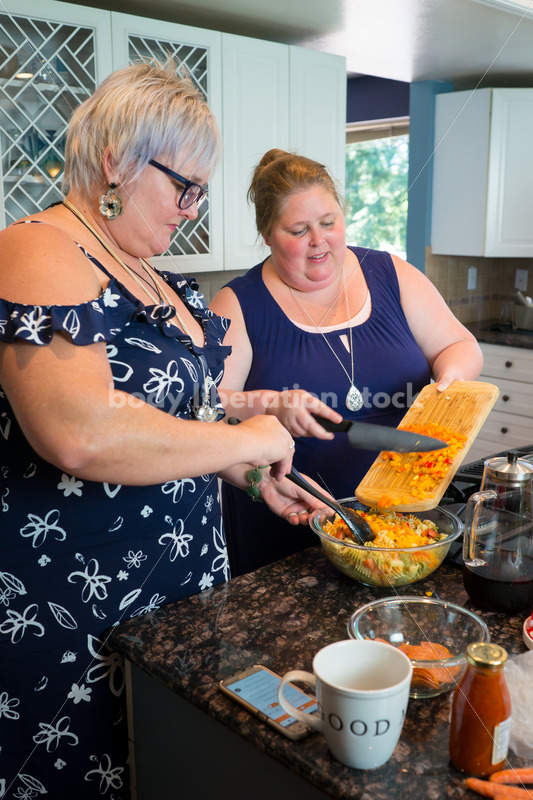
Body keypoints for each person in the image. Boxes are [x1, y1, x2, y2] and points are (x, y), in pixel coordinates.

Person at [0, 67, 324, 799]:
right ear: (118, 161)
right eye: (184, 186)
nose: (190, 208)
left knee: (169, 767)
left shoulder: (159, 277)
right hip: (74, 608)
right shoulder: (39, 249)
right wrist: (252, 439)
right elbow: (79, 432)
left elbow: (175, 427)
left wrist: (247, 476)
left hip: (178, 596)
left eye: (199, 191)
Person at [210, 148, 483, 577]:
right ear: (267, 232)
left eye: (329, 222)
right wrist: (266, 405)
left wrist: (446, 385)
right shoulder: (237, 304)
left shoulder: (391, 272)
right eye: (299, 230)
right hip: (288, 527)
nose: (319, 241)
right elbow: (209, 408)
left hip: (402, 523)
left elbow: (461, 345)